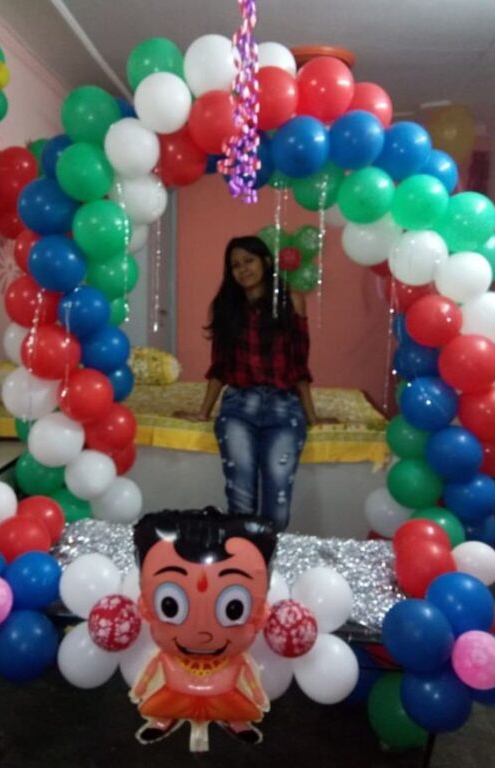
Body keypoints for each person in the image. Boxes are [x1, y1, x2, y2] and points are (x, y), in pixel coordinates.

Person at [175, 235, 318, 532]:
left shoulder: (292, 301)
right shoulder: (226, 308)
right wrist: (203, 412)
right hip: (239, 408)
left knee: (277, 508)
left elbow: (299, 365)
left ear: (265, 262)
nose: (243, 270)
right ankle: (243, 569)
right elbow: (220, 368)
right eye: (235, 265)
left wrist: (312, 416)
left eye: (248, 261)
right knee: (240, 503)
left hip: (284, 408)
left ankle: (266, 566)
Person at [130, 508, 277, 751]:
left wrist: (258, 697)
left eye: (233, 608)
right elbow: (150, 671)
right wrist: (141, 689)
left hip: (226, 694)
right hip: (174, 691)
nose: (203, 634)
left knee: (235, 708)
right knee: (165, 705)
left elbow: (250, 678)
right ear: (146, 606)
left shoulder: (236, 660)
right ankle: (163, 719)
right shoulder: (166, 657)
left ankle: (236, 721)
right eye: (170, 605)